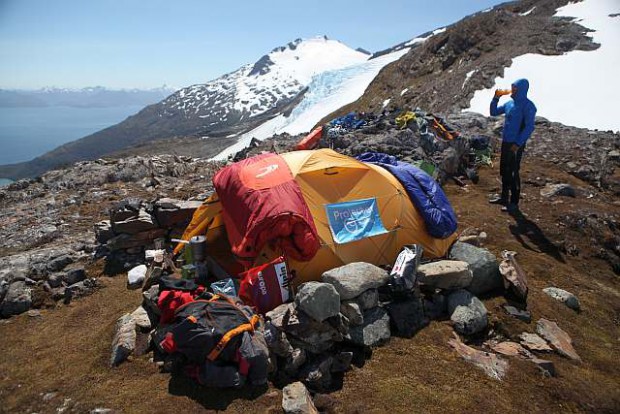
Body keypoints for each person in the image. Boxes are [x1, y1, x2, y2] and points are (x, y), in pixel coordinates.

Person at [488, 78, 537, 212]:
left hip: (516, 144)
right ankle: (504, 197)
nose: (512, 89)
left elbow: (529, 127)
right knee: (504, 170)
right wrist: (496, 98)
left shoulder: (528, 106)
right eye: (512, 87)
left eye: (515, 88)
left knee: (514, 171)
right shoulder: (510, 103)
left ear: (521, 90)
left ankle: (514, 202)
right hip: (506, 141)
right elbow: (493, 112)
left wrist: (518, 143)